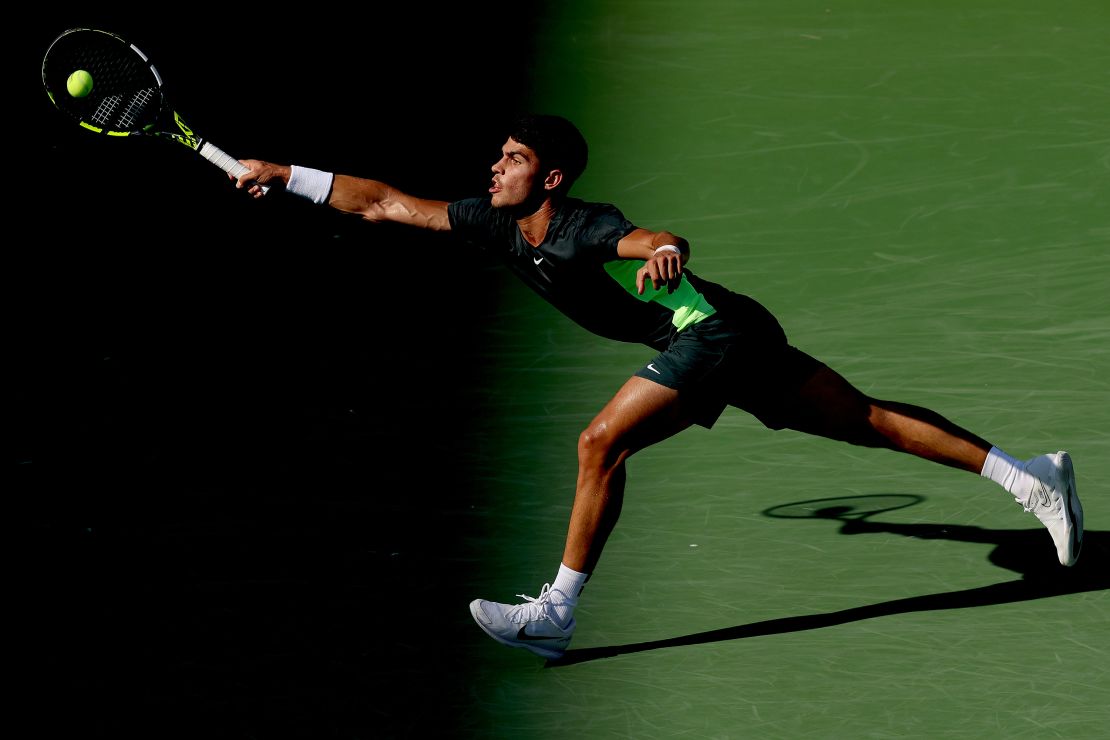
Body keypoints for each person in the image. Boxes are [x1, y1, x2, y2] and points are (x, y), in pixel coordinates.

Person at [233, 113, 1083, 661]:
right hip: (734, 330)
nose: (496, 167)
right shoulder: (494, 222)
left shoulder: (581, 227)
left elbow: (645, 237)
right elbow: (384, 203)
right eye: (498, 155)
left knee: (600, 441)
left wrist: (664, 248)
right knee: (865, 422)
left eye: (514, 159)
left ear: (551, 178)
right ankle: (1031, 475)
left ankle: (557, 614)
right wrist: (290, 172)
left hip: (706, 332)